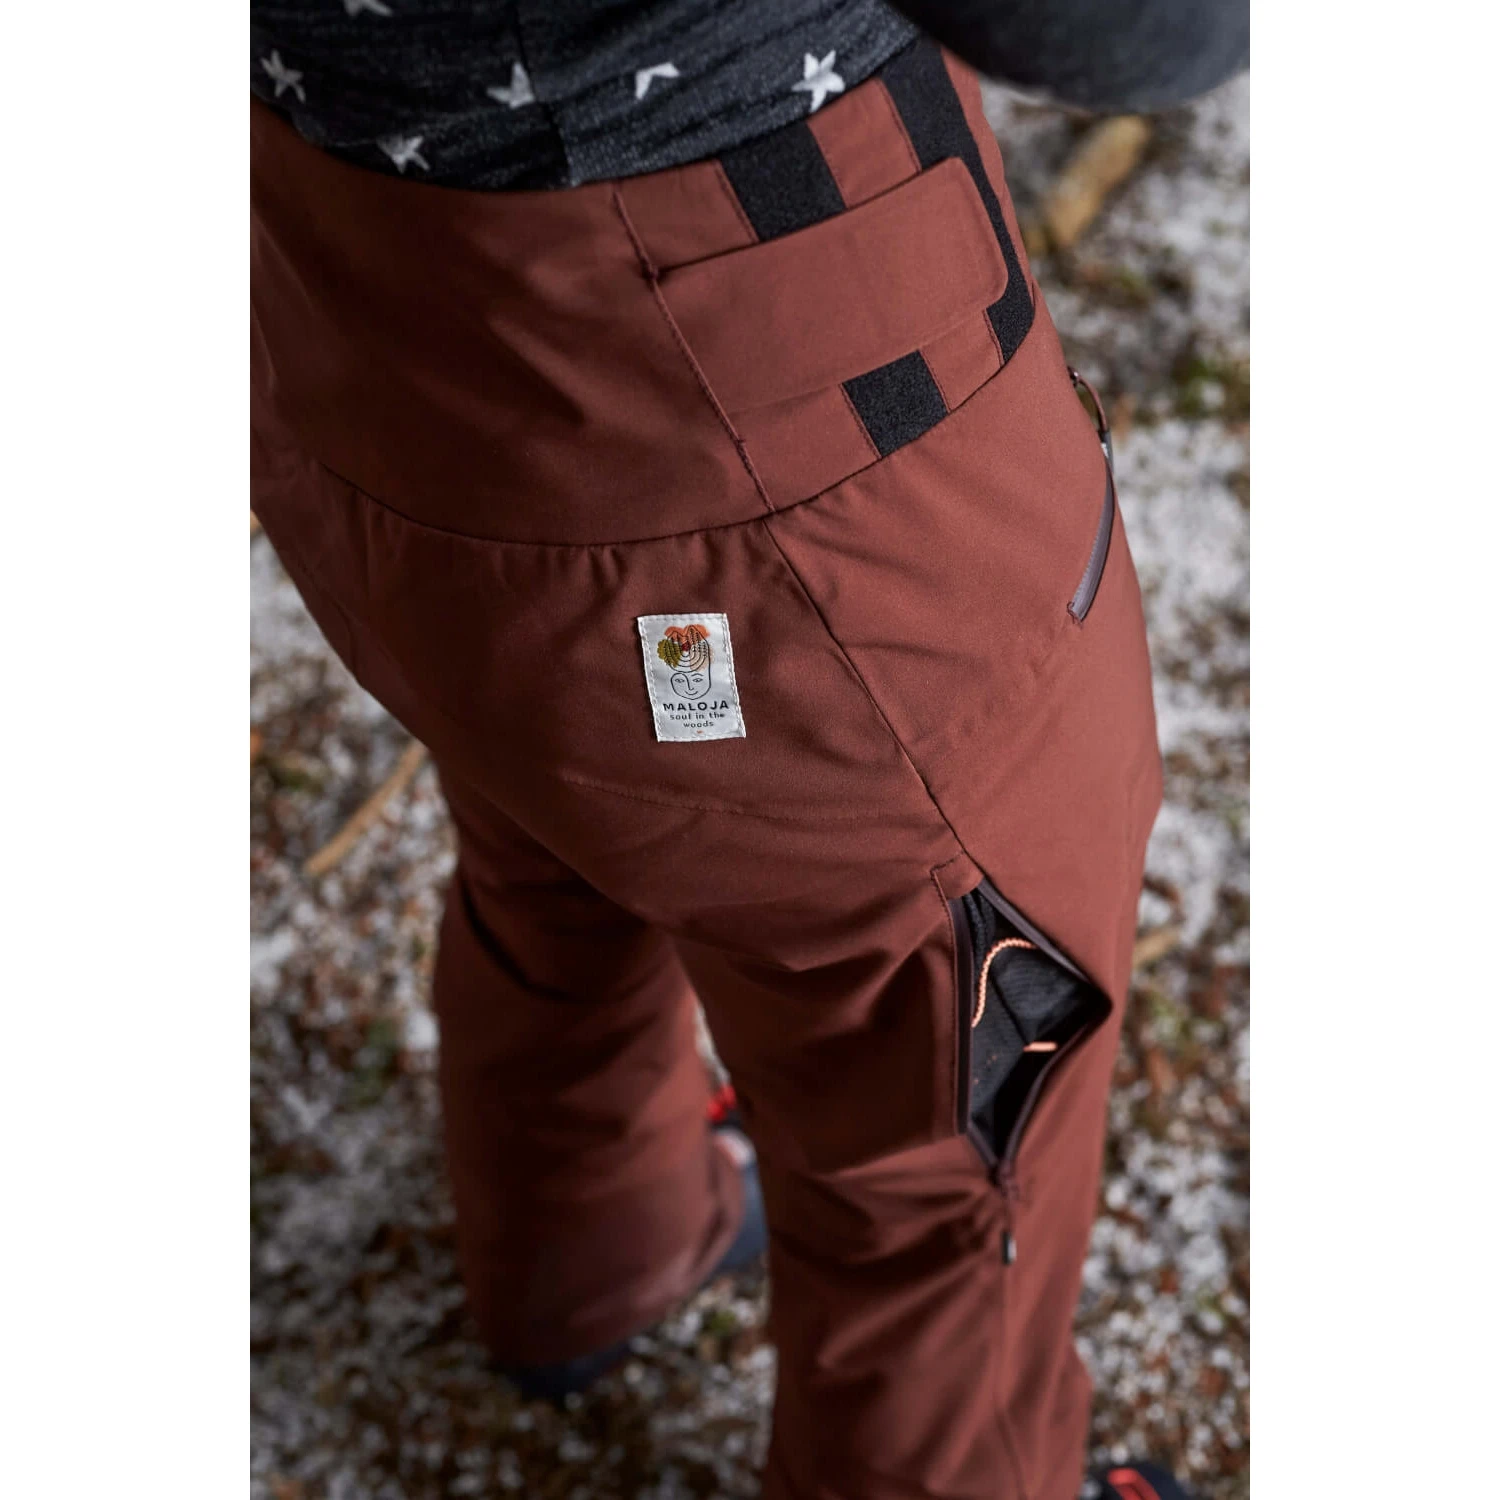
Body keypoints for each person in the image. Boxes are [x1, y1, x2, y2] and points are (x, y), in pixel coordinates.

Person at [249, 4, 1247, 1498]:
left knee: (564, 819)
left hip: (367, 302)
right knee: (948, 1124)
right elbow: (1143, 34)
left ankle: (596, 1245)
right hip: (765, 385)